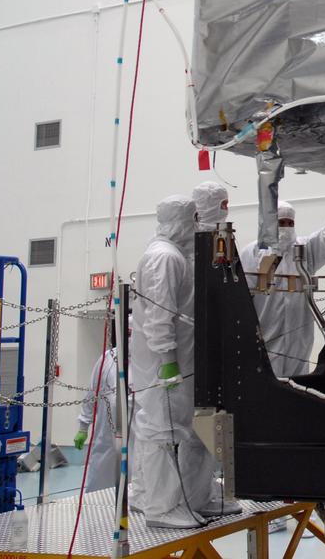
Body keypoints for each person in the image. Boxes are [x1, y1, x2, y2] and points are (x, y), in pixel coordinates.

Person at [131, 195, 240, 528]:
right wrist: (166, 359)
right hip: (167, 363)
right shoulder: (163, 257)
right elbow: (159, 316)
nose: (197, 224)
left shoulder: (177, 254)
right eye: (192, 218)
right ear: (178, 220)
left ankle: (193, 498)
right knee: (163, 431)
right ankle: (161, 508)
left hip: (185, 358)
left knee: (191, 429)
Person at [239, 180, 325, 378]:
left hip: (299, 337)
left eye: (290, 223)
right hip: (266, 334)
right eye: (281, 223)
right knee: (269, 386)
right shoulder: (254, 251)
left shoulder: (304, 249)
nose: (286, 228)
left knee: (297, 385)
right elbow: (243, 298)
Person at [74, 346, 121, 492]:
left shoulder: (146, 357)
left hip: (136, 430)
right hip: (106, 431)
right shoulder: (108, 358)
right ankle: (96, 504)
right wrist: (83, 427)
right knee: (101, 470)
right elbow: (92, 392)